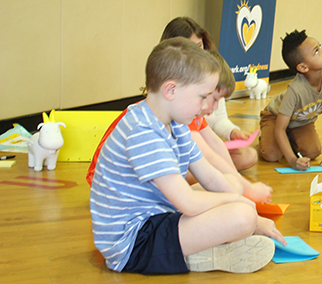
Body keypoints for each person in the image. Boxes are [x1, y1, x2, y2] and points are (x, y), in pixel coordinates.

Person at [89, 38, 286, 274]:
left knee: (232, 184)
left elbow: (211, 177)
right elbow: (188, 203)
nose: (206, 106)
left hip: (156, 215)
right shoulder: (142, 131)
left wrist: (239, 197)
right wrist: (246, 209)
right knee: (242, 215)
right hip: (134, 244)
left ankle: (202, 243)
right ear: (171, 90)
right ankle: (199, 255)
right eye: (203, 97)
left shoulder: (176, 122)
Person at [161, 16, 258, 170]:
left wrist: (233, 132)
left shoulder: (210, 78)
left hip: (196, 151)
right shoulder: (182, 106)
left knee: (247, 156)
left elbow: (216, 127)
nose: (212, 107)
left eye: (199, 46)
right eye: (209, 98)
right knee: (207, 170)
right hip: (179, 159)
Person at [185, 51, 267, 203]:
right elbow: (209, 156)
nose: (216, 108)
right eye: (214, 99)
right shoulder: (186, 117)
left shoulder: (195, 114)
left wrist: (240, 182)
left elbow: (216, 145)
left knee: (233, 183)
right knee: (232, 188)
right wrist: (249, 190)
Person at [258, 29, 322, 170]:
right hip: (276, 118)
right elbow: (279, 129)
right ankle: (267, 135)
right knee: (271, 155)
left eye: (320, 47)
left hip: (300, 121)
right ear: (303, 67)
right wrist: (292, 160)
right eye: (316, 51)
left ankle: (289, 140)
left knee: (313, 151)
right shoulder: (295, 90)